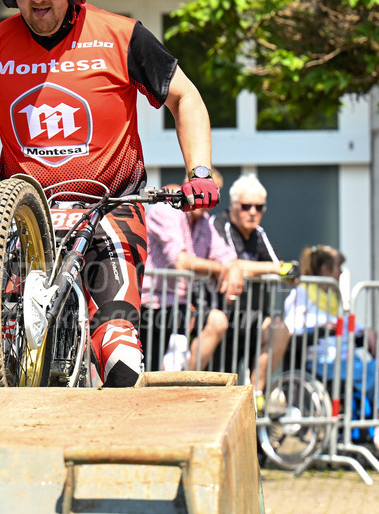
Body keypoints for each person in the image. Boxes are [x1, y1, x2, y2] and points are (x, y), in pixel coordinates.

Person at [0, 0, 219, 387]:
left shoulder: (123, 37)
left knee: (116, 335)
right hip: (28, 215)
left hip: (110, 205)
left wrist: (201, 173)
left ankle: (121, 436)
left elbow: (185, 97)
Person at [141, 170, 246, 372]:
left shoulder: (205, 222)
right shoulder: (166, 209)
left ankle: (187, 384)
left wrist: (232, 268)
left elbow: (226, 255)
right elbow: (180, 261)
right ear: (186, 187)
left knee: (217, 321)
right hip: (149, 305)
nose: (203, 198)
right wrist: (219, 269)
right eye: (200, 191)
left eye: (211, 193)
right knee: (143, 377)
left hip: (176, 306)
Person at [211, 174, 292, 401]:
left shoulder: (259, 233)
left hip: (251, 318)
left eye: (259, 207)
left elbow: (280, 267)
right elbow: (232, 264)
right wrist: (274, 269)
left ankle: (257, 395)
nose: (253, 212)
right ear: (233, 206)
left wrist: (291, 271)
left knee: (280, 330)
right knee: (221, 391)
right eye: (246, 206)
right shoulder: (220, 224)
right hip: (222, 318)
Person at [283, 245, 376, 400]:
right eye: (338, 267)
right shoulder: (301, 294)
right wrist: (318, 330)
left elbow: (344, 325)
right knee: (365, 372)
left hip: (344, 358)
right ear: (325, 269)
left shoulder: (332, 297)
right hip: (320, 362)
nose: (341, 272)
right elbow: (291, 330)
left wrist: (367, 330)